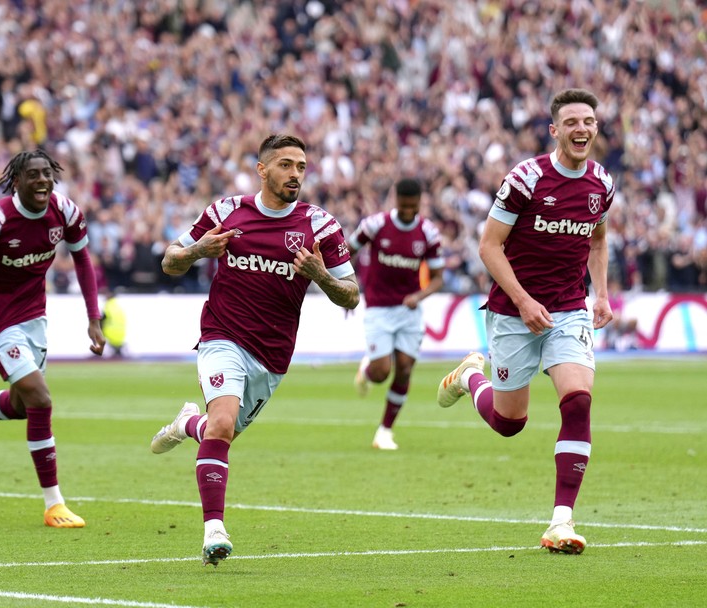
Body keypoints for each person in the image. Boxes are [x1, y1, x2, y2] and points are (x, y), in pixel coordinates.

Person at [150, 134, 360, 566]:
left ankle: (188, 423)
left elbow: (351, 295)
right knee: (223, 424)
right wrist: (197, 250)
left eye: (301, 166)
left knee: (219, 432)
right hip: (221, 335)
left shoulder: (320, 225)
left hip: (273, 356)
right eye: (285, 165)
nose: (295, 174)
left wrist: (320, 275)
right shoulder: (227, 212)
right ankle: (214, 531)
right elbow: (170, 260)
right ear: (262, 170)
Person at [436, 88, 615, 554]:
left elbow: (597, 241)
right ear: (555, 130)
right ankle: (470, 376)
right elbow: (488, 247)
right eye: (572, 122)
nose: (582, 129)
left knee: (578, 401)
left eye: (589, 122)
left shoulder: (602, 183)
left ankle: (561, 521)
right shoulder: (526, 178)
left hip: (570, 308)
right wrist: (522, 300)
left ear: (596, 128)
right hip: (513, 312)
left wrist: (602, 293)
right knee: (509, 423)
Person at [0, 149, 106, 528]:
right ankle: (54, 504)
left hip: (35, 318)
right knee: (41, 400)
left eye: (47, 174)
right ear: (16, 181)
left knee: (21, 405)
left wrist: (93, 318)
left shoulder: (65, 213)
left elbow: (83, 260)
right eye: (33, 175)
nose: (43, 181)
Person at [348, 178, 444, 450]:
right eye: (403, 205)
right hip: (378, 308)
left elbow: (438, 277)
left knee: (404, 369)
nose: (407, 210)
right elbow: (346, 250)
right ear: (396, 200)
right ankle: (367, 370)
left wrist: (419, 295)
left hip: (408, 310)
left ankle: (385, 431)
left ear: (419, 203)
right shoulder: (376, 225)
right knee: (381, 373)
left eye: (412, 206)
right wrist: (344, 284)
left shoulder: (428, 233)